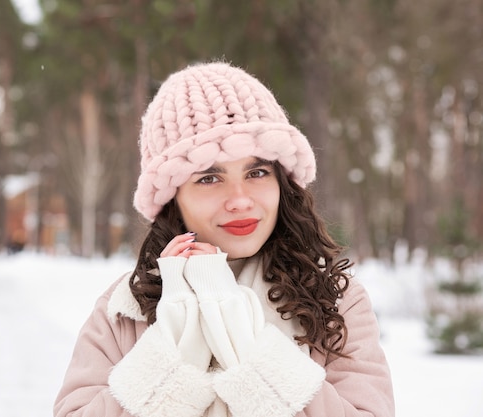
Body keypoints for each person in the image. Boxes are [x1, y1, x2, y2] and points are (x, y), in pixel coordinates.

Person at [53, 62, 395, 417]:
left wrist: (243, 341)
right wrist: (175, 344)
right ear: (172, 199)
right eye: (209, 179)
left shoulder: (333, 299)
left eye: (257, 172)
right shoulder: (123, 311)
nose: (241, 200)